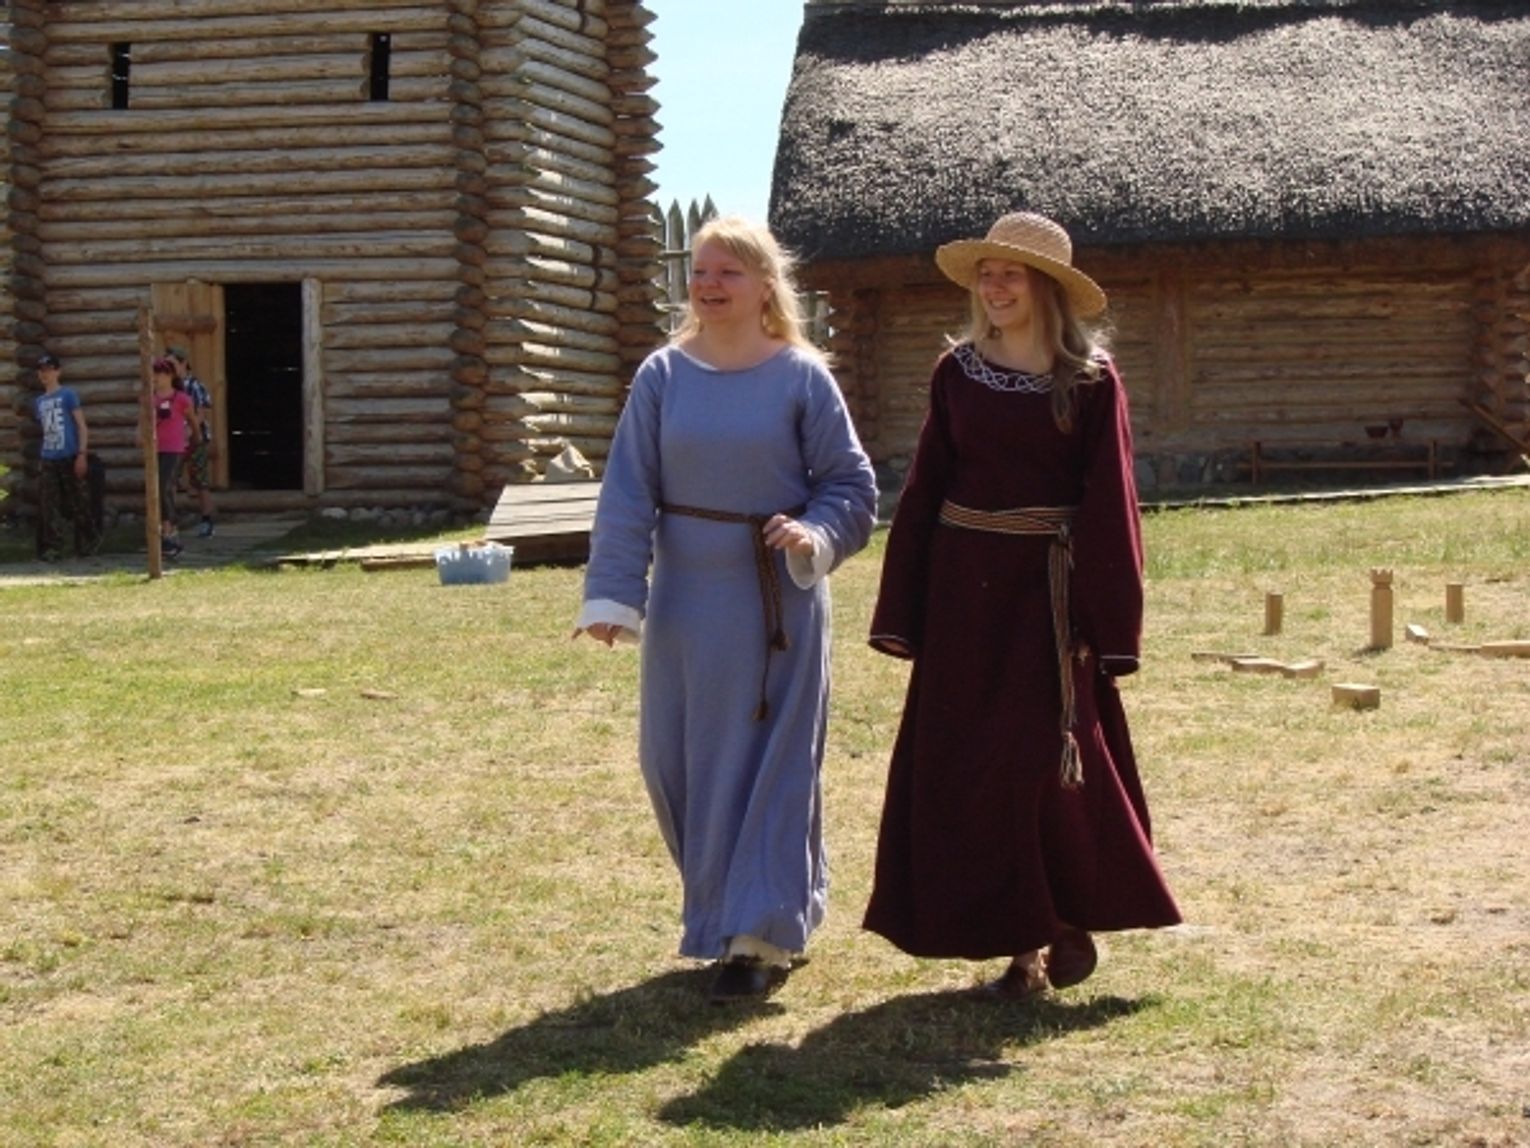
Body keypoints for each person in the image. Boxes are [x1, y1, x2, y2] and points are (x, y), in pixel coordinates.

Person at [863, 211, 1181, 999]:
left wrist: (1110, 622)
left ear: (1046, 287)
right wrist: (904, 606)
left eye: (1011, 274)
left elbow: (1110, 501)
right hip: (965, 598)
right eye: (986, 274)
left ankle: (1061, 916)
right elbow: (926, 486)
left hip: (1048, 597)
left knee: (1045, 760)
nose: (994, 287)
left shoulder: (1091, 381)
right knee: (973, 768)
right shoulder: (957, 373)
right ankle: (1023, 947)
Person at [575, 216, 878, 1003]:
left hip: (776, 601)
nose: (709, 285)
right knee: (676, 762)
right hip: (687, 602)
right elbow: (628, 491)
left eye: (728, 273)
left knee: (773, 762)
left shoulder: (803, 377)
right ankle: (739, 907)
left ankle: (757, 937)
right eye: (701, 271)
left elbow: (851, 486)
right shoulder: (662, 376)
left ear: (765, 285)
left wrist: (814, 532)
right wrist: (614, 592)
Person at [32, 351, 101, 560]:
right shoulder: (39, 402)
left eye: (49, 370)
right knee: (49, 505)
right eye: (41, 371)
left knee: (78, 502)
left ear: (58, 372)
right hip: (49, 457)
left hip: (69, 455)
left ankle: (90, 539)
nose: (45, 374)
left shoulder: (68, 395)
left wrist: (81, 454)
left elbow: (81, 426)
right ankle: (53, 547)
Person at [150, 356, 200, 559]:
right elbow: (143, 421)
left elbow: (193, 421)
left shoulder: (181, 398)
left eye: (159, 374)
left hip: (175, 449)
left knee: (165, 487)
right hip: (155, 449)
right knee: (157, 490)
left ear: (170, 375)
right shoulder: (150, 398)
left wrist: (195, 438)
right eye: (153, 374)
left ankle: (169, 531)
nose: (156, 378)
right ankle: (167, 534)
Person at [167, 345, 216, 537]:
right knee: (170, 480)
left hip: (195, 439)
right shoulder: (168, 387)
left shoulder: (194, 385)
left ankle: (207, 520)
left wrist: (189, 431)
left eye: (172, 364)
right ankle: (169, 521)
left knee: (200, 480)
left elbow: (200, 413)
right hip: (174, 440)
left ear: (183, 364)